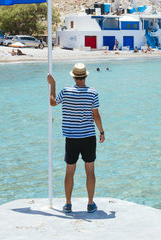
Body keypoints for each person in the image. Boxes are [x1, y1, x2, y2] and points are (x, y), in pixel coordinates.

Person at [47, 63, 105, 214]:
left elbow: (52, 102)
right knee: (90, 171)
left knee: (70, 171)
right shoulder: (93, 92)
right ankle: (90, 204)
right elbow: (96, 115)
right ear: (85, 76)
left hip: (71, 138)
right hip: (88, 137)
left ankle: (68, 204)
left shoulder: (66, 91)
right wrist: (102, 132)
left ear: (73, 77)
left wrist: (53, 85)